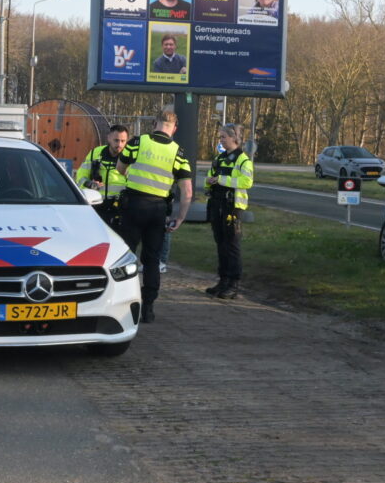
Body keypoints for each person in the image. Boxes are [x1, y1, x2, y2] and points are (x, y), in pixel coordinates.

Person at [116, 106, 193, 323]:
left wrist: (131, 175)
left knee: (125, 255)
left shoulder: (137, 142)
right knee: (152, 260)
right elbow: (187, 191)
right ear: (174, 129)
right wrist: (180, 217)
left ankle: (122, 303)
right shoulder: (178, 153)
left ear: (154, 124)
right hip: (158, 210)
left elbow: (120, 168)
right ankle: (148, 307)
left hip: (133, 205)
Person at [204, 123, 254, 299]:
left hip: (232, 207)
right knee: (221, 244)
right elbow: (210, 175)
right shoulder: (219, 158)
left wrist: (221, 179)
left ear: (234, 138)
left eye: (223, 137)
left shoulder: (243, 160)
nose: (221, 140)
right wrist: (209, 181)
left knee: (232, 245)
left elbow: (246, 182)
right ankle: (223, 280)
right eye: (220, 137)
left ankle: (233, 284)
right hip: (217, 205)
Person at [75, 125, 129, 231]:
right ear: (108, 138)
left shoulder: (129, 157)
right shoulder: (95, 153)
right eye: (116, 140)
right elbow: (80, 177)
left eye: (123, 141)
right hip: (96, 205)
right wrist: (90, 184)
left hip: (119, 208)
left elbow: (134, 182)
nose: (119, 144)